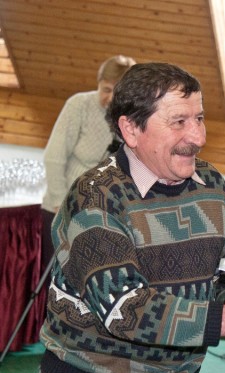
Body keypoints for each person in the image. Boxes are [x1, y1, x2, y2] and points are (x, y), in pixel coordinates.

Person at [32, 62, 225, 373]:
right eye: (179, 122)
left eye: (199, 118)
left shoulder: (211, 185)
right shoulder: (96, 196)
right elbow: (125, 310)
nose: (198, 137)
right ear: (131, 129)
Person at [41, 55, 136, 276]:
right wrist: (60, 205)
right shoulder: (79, 105)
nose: (110, 98)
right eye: (106, 90)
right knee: (57, 282)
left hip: (102, 219)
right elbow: (54, 158)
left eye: (118, 93)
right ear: (98, 82)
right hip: (62, 210)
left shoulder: (133, 119)